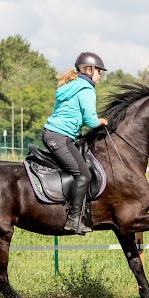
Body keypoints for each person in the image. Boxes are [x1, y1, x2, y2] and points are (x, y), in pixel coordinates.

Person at [42, 52, 108, 234]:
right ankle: (73, 219)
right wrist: (102, 121)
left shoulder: (73, 86)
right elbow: (91, 120)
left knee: (84, 166)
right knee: (84, 174)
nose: (100, 75)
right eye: (99, 71)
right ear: (89, 70)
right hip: (58, 137)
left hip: (58, 135)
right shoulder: (86, 90)